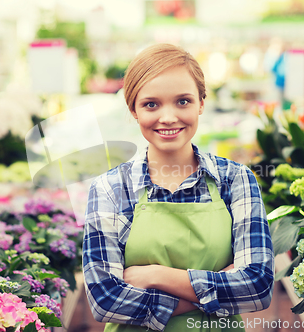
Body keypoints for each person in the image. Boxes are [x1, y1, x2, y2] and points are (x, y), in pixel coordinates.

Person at [82, 43, 274, 332]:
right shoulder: (110, 188)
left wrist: (156, 276)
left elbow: (258, 286)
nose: (168, 117)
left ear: (201, 103)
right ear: (133, 110)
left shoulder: (235, 179)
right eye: (151, 104)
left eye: (183, 101)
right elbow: (105, 299)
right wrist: (217, 288)